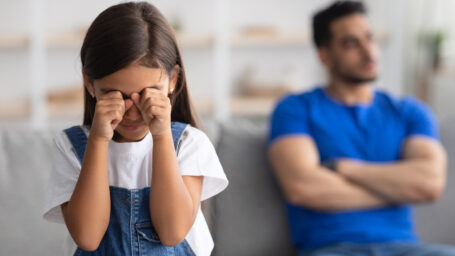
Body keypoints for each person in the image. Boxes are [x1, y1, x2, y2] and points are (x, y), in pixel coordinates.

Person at [268, 1, 455, 255]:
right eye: (351, 43)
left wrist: (344, 168)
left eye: (370, 38)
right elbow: (304, 188)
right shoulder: (294, 109)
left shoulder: (411, 112)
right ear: (324, 55)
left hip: (406, 249)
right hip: (331, 248)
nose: (369, 52)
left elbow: (429, 184)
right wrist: (399, 189)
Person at [42, 2, 228, 256]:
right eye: (114, 94)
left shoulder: (188, 143)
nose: (131, 110)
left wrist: (161, 136)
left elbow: (172, 232)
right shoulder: (72, 147)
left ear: (172, 81)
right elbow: (87, 237)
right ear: (90, 83)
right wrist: (97, 139)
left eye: (146, 93)